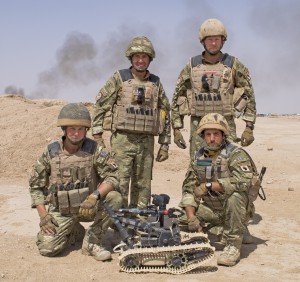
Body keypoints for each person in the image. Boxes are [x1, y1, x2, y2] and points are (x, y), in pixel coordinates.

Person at [29, 103, 122, 261]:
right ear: (64, 129)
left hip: (89, 207)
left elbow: (113, 175)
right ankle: (74, 230)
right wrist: (43, 216)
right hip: (62, 211)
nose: (76, 133)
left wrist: (95, 196)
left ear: (86, 130)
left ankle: (92, 241)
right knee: (47, 249)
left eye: (81, 129)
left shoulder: (95, 150)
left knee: (115, 197)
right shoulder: (51, 153)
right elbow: (35, 187)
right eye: (72, 129)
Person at [91, 36, 171, 209]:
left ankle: (139, 220)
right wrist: (97, 136)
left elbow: (165, 111)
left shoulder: (155, 83)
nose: (140, 60)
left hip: (146, 142)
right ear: (131, 58)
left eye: (144, 57)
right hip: (122, 140)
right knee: (119, 181)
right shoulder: (119, 78)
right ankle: (120, 222)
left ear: (150, 59)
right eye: (137, 57)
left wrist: (165, 143)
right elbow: (101, 105)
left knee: (143, 185)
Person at [179, 113, 258, 266]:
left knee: (234, 197)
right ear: (203, 136)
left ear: (223, 135)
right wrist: (191, 218)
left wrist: (210, 185)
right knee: (181, 220)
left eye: (216, 134)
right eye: (208, 134)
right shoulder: (199, 157)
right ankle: (227, 229)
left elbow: (244, 181)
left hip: (236, 207)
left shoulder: (236, 154)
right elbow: (188, 187)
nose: (212, 138)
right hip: (212, 208)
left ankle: (233, 245)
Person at [171, 18, 256, 158]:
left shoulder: (233, 64)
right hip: (199, 129)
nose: (213, 43)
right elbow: (178, 96)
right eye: (209, 40)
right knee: (199, 168)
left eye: (217, 39)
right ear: (203, 41)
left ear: (222, 40)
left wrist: (249, 127)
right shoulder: (192, 65)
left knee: (227, 168)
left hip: (226, 127)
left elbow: (249, 94)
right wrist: (177, 129)